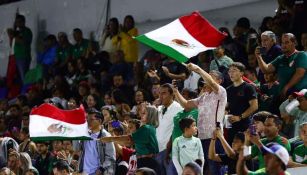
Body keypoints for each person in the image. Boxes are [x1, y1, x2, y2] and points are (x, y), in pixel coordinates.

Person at [173, 63, 227, 175]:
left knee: (215, 170)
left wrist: (198, 69)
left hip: (214, 137)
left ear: (219, 81)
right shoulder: (203, 96)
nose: (206, 78)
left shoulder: (220, 92)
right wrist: (175, 91)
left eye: (210, 75)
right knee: (201, 170)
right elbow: (186, 104)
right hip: (201, 138)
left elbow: (211, 82)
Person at [100, 104, 160, 174]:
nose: (141, 115)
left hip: (147, 163)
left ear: (150, 115)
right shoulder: (150, 128)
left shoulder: (146, 128)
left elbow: (128, 141)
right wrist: (112, 131)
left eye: (144, 113)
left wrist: (110, 138)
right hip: (146, 161)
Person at [255, 33, 307, 97]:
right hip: (283, 95)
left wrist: (286, 87)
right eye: (282, 43)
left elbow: (299, 74)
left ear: (294, 43)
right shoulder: (281, 58)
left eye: (287, 42)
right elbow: (266, 70)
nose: (283, 45)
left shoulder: (301, 55)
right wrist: (259, 57)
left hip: (299, 96)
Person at [227, 62, 258, 144]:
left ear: (241, 73)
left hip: (248, 125)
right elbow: (227, 106)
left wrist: (240, 117)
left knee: (247, 151)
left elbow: (254, 106)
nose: (231, 73)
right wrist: (225, 112)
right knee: (232, 151)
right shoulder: (228, 89)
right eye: (229, 71)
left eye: (234, 70)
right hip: (232, 125)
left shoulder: (249, 87)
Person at [155, 83, 183, 175]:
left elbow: (179, 131)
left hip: (170, 152)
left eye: (164, 93)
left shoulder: (179, 109)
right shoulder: (158, 109)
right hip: (157, 150)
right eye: (159, 93)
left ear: (172, 95)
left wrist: (169, 149)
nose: (160, 96)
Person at [77, 109, 116, 175]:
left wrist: (101, 169)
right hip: (84, 172)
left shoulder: (106, 136)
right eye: (87, 120)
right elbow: (77, 149)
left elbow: (110, 157)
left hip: (98, 173)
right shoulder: (85, 135)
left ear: (100, 121)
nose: (88, 122)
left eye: (91, 120)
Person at [11, 14, 33, 83]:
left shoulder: (27, 31)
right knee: (17, 78)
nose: (18, 24)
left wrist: (14, 36)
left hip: (24, 57)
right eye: (17, 22)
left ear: (24, 22)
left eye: (19, 22)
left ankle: (26, 91)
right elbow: (11, 44)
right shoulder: (17, 32)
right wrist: (11, 36)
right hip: (16, 57)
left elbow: (23, 42)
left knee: (24, 77)